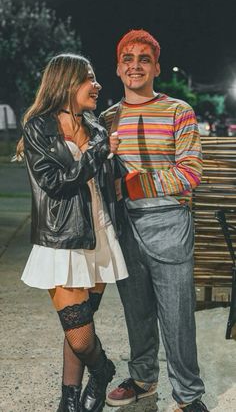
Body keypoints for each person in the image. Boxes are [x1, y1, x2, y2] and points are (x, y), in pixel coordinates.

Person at [99, 30, 209, 412]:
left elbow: (190, 172)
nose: (135, 65)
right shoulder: (107, 119)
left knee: (178, 318)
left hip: (168, 222)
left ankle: (188, 396)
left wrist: (133, 183)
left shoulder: (180, 111)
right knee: (137, 312)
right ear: (118, 68)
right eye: (128, 58)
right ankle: (144, 379)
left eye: (144, 58)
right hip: (124, 226)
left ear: (156, 67)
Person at [17, 53, 128, 412]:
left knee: (80, 327)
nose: (97, 85)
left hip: (98, 234)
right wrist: (99, 151)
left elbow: (104, 180)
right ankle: (103, 370)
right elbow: (57, 183)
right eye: (89, 79)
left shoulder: (96, 126)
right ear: (67, 82)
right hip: (62, 238)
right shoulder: (38, 126)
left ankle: (69, 401)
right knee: (81, 337)